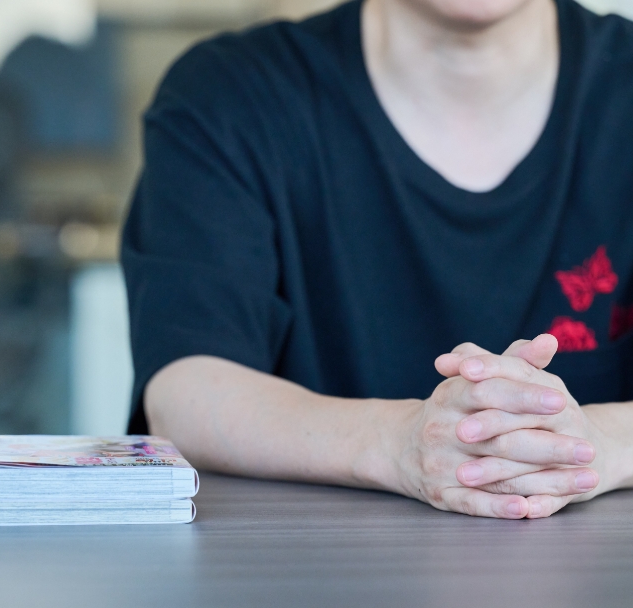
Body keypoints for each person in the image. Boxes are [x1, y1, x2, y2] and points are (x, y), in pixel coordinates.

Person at [121, 0, 633, 519]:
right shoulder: (229, 93)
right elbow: (186, 392)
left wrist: (592, 443)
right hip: (301, 561)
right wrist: (400, 442)